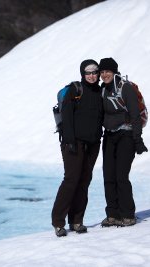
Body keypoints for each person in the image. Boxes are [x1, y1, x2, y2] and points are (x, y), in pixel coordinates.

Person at [51, 59, 103, 237]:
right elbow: (67, 115)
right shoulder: (75, 89)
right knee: (71, 180)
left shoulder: (99, 91)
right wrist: (70, 140)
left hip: (93, 143)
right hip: (73, 143)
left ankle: (76, 220)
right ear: (82, 73)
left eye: (94, 72)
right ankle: (58, 222)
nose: (91, 76)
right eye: (88, 72)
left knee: (84, 181)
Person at [98, 57, 148, 227]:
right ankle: (113, 214)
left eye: (108, 71)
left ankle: (127, 214)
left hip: (126, 135)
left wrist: (138, 139)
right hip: (110, 136)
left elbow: (135, 114)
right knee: (108, 176)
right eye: (102, 71)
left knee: (121, 176)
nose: (104, 74)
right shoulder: (103, 90)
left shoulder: (125, 88)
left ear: (114, 72)